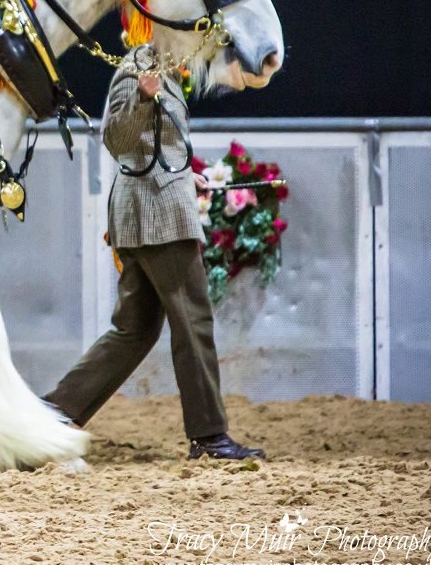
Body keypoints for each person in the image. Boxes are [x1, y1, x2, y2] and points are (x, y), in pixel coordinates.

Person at [43, 47, 265, 461]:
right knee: (193, 321)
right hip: (157, 216)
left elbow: (151, 148)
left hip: (152, 208)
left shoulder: (165, 67)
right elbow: (117, 138)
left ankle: (53, 411)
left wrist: (186, 177)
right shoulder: (138, 67)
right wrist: (143, 97)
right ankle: (210, 435)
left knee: (135, 329)